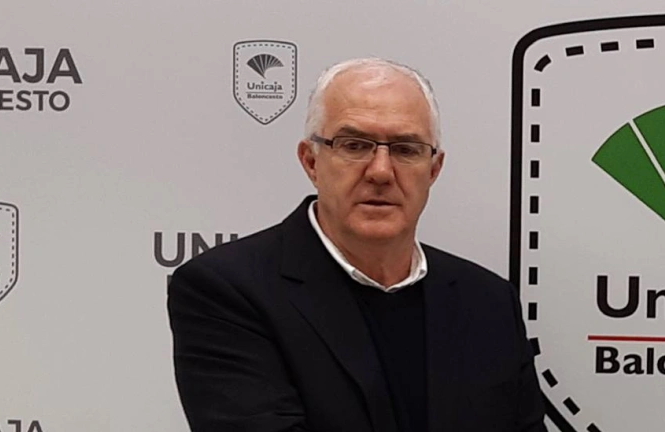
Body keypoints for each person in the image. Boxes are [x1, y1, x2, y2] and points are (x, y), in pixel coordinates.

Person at [168, 58, 547, 432]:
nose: (381, 171)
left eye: (406, 149)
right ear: (311, 161)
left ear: (433, 170)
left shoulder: (489, 301)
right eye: (354, 145)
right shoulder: (227, 290)